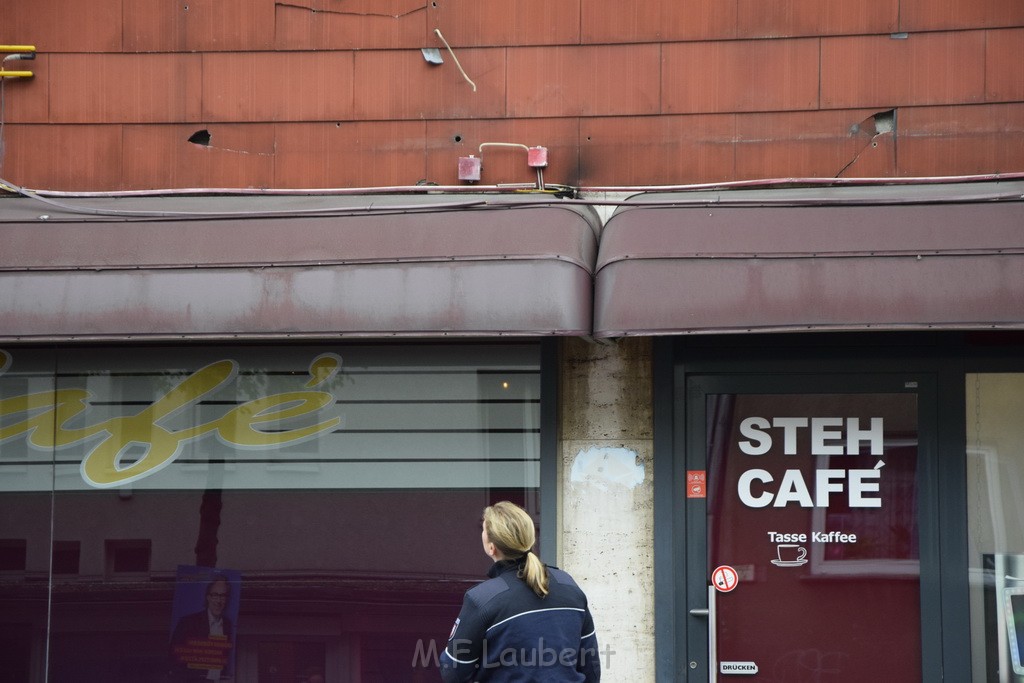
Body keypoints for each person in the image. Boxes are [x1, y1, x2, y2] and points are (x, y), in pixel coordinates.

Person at [440, 501, 600, 682]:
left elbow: (453, 670)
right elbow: (591, 666)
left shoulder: (482, 599)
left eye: (483, 530)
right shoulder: (568, 585)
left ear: (491, 547)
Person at [169, 575, 235, 681]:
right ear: (208, 597)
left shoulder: (228, 625)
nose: (218, 601)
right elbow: (174, 659)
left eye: (223, 596)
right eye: (215, 595)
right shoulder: (188, 622)